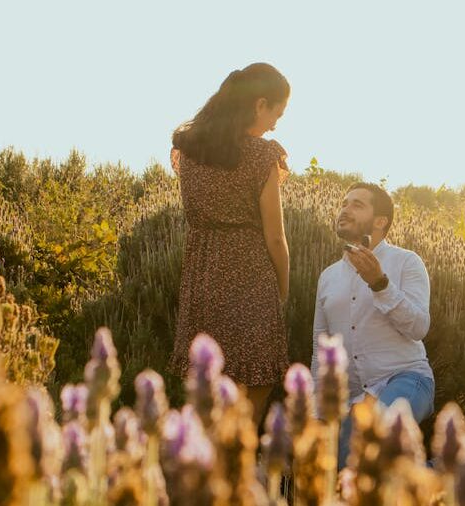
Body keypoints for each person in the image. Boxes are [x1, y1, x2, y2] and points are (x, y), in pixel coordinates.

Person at [169, 63, 291, 425]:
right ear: (259, 104)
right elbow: (275, 235)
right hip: (248, 273)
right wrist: (282, 287)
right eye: (276, 114)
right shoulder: (261, 155)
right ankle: (235, 456)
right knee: (260, 378)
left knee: (211, 379)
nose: (274, 125)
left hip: (202, 272)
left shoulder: (189, 151)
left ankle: (209, 459)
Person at [311, 182, 435, 469]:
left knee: (373, 443)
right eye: (344, 203)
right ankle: (436, 478)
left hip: (406, 379)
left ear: (381, 221)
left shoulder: (407, 262)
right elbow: (320, 350)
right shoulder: (328, 277)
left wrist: (380, 284)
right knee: (345, 477)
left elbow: (419, 327)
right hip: (355, 400)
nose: (345, 209)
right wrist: (318, 412)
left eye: (357, 204)